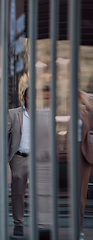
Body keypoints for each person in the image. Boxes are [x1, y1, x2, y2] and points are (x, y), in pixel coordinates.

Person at [7, 87, 29, 236]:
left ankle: (41, 223)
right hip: (18, 157)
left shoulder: (42, 116)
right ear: (24, 97)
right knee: (18, 193)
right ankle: (18, 224)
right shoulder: (13, 114)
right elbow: (1, 132)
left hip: (37, 159)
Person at [79, 90, 93, 240]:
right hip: (71, 151)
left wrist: (84, 97)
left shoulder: (87, 108)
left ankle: (79, 228)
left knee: (81, 194)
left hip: (85, 152)